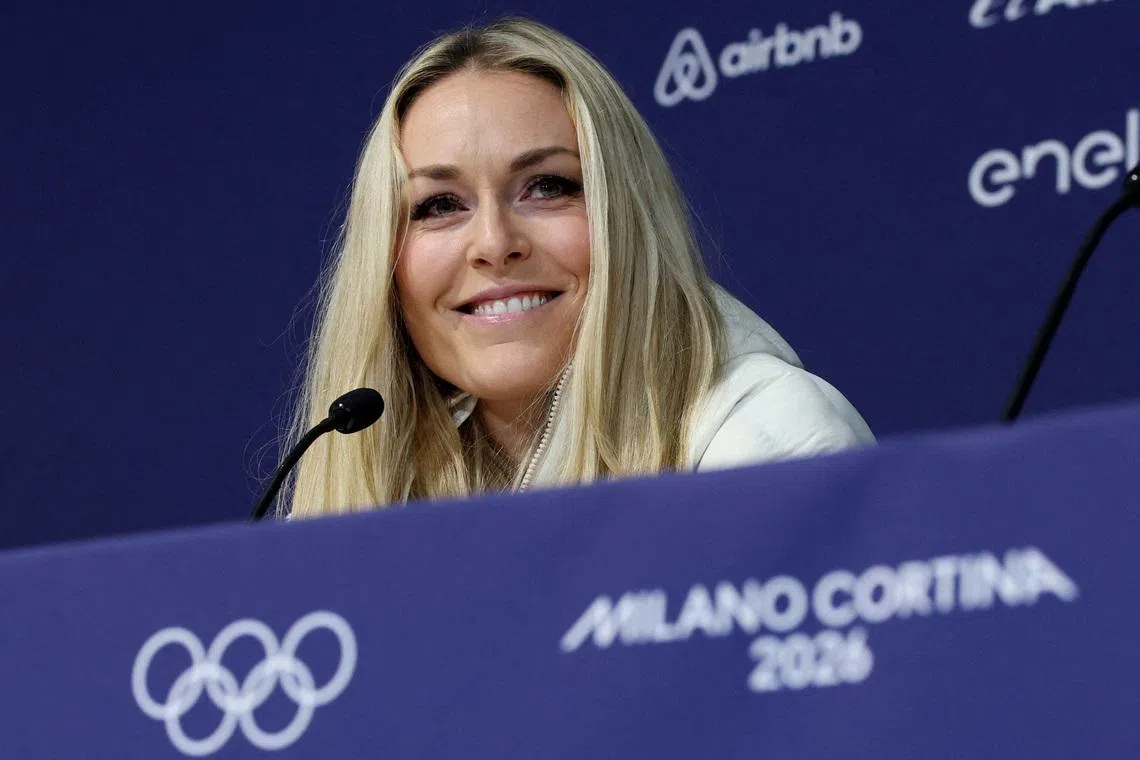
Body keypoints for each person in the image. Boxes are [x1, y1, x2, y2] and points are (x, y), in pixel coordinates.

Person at [281, 17, 873, 519]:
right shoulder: (384, 474)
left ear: (625, 216)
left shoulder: (773, 442)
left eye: (547, 187)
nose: (493, 242)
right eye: (439, 205)